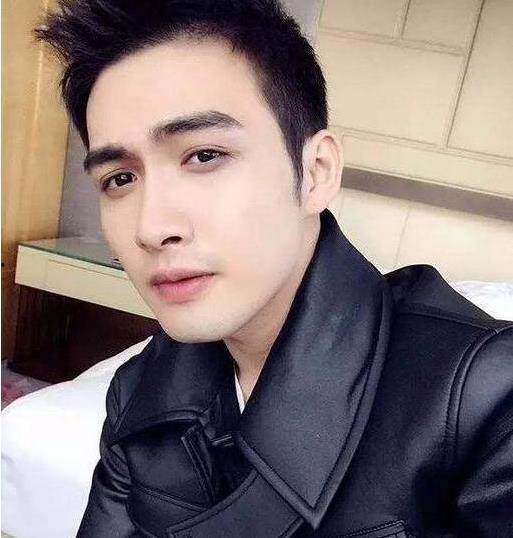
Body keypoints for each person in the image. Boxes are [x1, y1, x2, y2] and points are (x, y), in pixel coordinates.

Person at [35, 1, 513, 536]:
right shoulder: (139, 391)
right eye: (120, 179)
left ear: (316, 172)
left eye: (204, 155)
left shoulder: (489, 399)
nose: (151, 227)